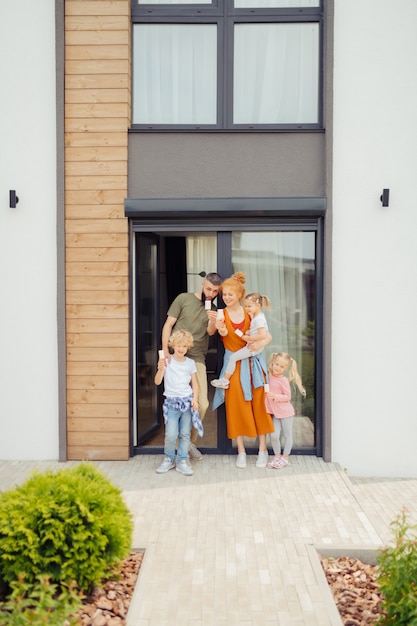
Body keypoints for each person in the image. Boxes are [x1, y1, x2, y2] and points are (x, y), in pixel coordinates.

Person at [212, 272, 273, 469]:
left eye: (230, 294)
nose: (226, 298)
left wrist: (261, 343)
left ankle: (263, 450)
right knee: (236, 406)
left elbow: (267, 336)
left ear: (239, 295)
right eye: (224, 295)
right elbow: (217, 333)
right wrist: (218, 327)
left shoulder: (250, 312)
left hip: (254, 363)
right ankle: (241, 451)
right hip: (234, 364)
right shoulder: (221, 314)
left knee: (260, 405)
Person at [161, 272, 222, 461]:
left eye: (215, 291)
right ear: (203, 284)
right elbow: (168, 325)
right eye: (208, 288)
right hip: (176, 354)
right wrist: (165, 354)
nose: (211, 293)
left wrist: (213, 319)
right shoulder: (184, 298)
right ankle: (179, 446)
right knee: (174, 399)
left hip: (196, 358)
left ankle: (187, 443)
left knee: (202, 404)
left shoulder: (214, 308)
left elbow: (210, 332)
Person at [154, 330, 202, 476]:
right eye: (178, 345)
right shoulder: (167, 361)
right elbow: (157, 381)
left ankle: (182, 460)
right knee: (170, 434)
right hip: (171, 404)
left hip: (187, 404)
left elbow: (195, 384)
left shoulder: (190, 363)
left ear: (188, 347)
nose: (181, 349)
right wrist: (161, 368)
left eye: (184, 346)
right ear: (173, 345)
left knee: (185, 434)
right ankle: (168, 458)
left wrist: (194, 399)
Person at [211, 292, 271, 389]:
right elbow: (258, 331)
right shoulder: (257, 316)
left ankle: (225, 381)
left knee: (233, 358)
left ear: (258, 306)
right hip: (253, 345)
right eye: (245, 306)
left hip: (253, 348)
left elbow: (263, 334)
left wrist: (249, 338)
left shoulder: (258, 319)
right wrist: (249, 332)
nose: (246, 309)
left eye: (249, 306)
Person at [265, 352, 306, 469]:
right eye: (276, 364)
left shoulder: (283, 380)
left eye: (282, 366)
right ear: (272, 363)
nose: (278, 368)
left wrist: (275, 396)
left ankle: (285, 458)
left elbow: (288, 397)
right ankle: (277, 456)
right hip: (275, 413)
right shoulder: (269, 376)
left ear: (286, 368)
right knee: (274, 435)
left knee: (287, 435)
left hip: (286, 413)